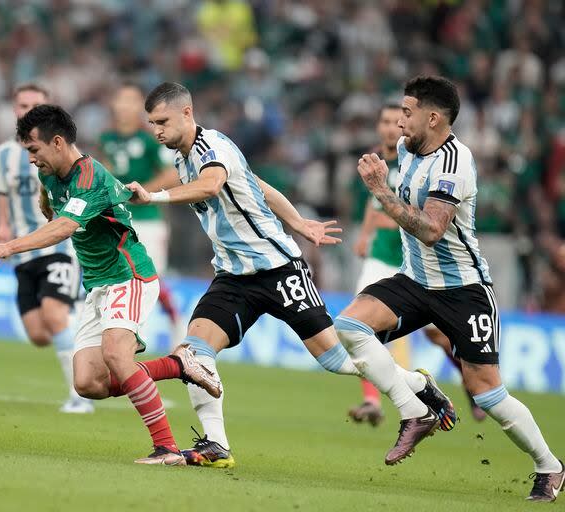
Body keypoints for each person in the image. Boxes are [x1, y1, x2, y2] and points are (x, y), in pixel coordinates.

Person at [129, 82, 387, 469]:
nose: (157, 131)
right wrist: (299, 221)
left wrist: (155, 197)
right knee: (195, 352)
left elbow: (213, 185)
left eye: (162, 121)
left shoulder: (209, 149)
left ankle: (416, 389)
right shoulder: (183, 159)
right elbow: (260, 188)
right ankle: (216, 446)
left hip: (277, 269)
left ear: (187, 112)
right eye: (152, 124)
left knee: (335, 360)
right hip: (234, 276)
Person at [335, 76, 563, 502]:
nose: (399, 122)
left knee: (489, 394)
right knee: (349, 326)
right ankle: (420, 402)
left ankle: (549, 466)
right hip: (415, 281)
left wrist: (381, 191)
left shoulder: (455, 164)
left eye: (407, 113)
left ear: (433, 118)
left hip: (464, 290)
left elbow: (432, 230)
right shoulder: (406, 149)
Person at [0, 104, 221, 465]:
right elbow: (51, 202)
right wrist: (47, 202)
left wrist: (9, 246)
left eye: (34, 150)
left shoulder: (91, 178)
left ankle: (166, 447)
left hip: (129, 275)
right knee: (88, 383)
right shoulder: (50, 173)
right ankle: (178, 364)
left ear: (57, 142)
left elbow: (64, 227)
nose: (31, 159)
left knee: (117, 357)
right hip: (98, 285)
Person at [348, 104, 486, 425]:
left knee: (438, 336)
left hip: (416, 266)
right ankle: (373, 401)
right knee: (359, 326)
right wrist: (365, 233)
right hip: (380, 260)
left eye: (396, 121)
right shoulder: (376, 162)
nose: (389, 127)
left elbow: (420, 216)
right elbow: (374, 204)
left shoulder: (419, 163)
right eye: (383, 121)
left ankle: (469, 383)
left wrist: (386, 218)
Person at [0, 84, 91, 414]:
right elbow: (2, 193)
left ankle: (80, 396)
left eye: (35, 105)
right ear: (14, 108)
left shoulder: (58, 151)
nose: (27, 110)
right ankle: (79, 331)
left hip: (58, 247)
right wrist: (3, 226)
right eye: (22, 104)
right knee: (38, 333)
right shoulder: (4, 155)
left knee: (53, 315)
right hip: (22, 251)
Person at [98, 84, 182, 342]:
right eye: (120, 100)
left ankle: (167, 324)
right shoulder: (106, 139)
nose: (125, 106)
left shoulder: (150, 138)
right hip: (115, 221)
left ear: (141, 108)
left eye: (131, 101)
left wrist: (141, 193)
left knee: (147, 281)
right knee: (119, 281)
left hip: (147, 221)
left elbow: (174, 174)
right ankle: (123, 338)